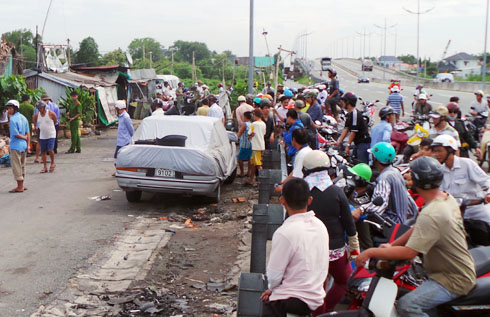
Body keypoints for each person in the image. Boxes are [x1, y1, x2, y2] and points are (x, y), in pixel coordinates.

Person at [355, 156, 476, 317]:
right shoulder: (445, 199)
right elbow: (419, 226)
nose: (407, 176)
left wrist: (370, 252)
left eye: (411, 174)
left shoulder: (432, 213)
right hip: (452, 270)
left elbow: (409, 252)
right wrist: (392, 245)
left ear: (419, 181)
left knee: (406, 306)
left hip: (451, 279)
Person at [301, 150, 359, 315]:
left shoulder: (302, 193)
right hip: (335, 250)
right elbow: (349, 224)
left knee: (317, 287)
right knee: (344, 281)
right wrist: (354, 249)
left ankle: (320, 313)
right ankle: (329, 309)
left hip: (310, 249)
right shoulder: (336, 192)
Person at [261, 178, 329, 316]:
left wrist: (273, 290)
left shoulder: (284, 233)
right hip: (316, 296)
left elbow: (274, 276)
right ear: (310, 200)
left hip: (293, 300)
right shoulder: (320, 226)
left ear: (282, 201)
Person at [352, 142, 417, 226]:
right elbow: (409, 200)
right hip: (403, 223)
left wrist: (360, 210)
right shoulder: (395, 172)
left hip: (392, 224)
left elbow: (379, 206)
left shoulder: (384, 178)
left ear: (375, 158)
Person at [431, 135, 490, 226]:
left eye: (440, 150)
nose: (437, 154)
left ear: (450, 151)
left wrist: (488, 194)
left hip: (476, 211)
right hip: (453, 214)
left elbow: (486, 181)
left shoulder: (467, 164)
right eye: (435, 151)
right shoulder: (439, 170)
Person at [336, 92, 371, 164]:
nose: (342, 103)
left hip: (363, 143)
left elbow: (353, 131)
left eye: (343, 101)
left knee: (362, 164)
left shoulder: (355, 113)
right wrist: (338, 141)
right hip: (357, 143)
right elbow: (346, 129)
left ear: (348, 102)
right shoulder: (349, 114)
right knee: (354, 162)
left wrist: (348, 146)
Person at [6, 100, 30, 193]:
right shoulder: (23, 118)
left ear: (15, 109)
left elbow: (15, 134)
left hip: (16, 145)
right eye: (8, 108)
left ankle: (19, 187)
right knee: (22, 165)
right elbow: (28, 132)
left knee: (17, 166)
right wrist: (28, 144)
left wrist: (23, 137)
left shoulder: (12, 120)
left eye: (10, 108)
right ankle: (22, 185)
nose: (9, 110)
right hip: (24, 145)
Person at [33, 101, 57, 173]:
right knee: (43, 151)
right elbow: (34, 120)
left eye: (41, 108)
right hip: (42, 135)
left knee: (50, 149)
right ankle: (45, 167)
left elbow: (55, 121)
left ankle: (52, 163)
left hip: (51, 134)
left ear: (44, 107)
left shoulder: (50, 113)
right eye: (38, 108)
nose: (40, 109)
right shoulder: (37, 115)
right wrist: (35, 127)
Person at [245, 109, 266, 186]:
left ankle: (263, 181)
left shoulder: (254, 124)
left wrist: (250, 136)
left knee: (258, 164)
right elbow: (264, 133)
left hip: (256, 146)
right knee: (254, 163)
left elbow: (249, 133)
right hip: (261, 145)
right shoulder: (263, 124)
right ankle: (251, 179)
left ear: (255, 115)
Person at [237, 111, 253, 178]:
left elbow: (240, 133)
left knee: (239, 158)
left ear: (245, 117)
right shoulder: (252, 124)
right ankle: (248, 172)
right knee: (249, 158)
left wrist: (236, 138)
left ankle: (242, 172)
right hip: (250, 143)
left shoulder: (245, 124)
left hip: (244, 144)